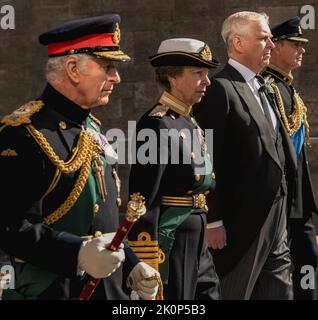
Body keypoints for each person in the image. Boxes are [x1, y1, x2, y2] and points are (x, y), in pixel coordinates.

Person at [0, 14, 160, 300]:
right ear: (73, 69)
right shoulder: (24, 135)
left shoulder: (89, 127)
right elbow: (10, 227)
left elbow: (101, 221)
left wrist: (132, 264)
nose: (117, 77)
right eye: (107, 66)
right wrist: (76, 252)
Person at [194, 11, 297, 299]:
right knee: (235, 291)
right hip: (241, 222)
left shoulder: (266, 87)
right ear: (238, 43)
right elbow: (205, 156)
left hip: (276, 214)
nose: (271, 46)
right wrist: (213, 219)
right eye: (263, 39)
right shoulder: (220, 89)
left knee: (278, 290)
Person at [128, 38, 221, 300]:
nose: (207, 81)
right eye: (198, 74)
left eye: (207, 74)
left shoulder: (189, 120)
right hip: (173, 240)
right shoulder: (156, 125)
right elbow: (143, 199)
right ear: (172, 77)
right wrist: (146, 259)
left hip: (198, 235)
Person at [262, 17, 318, 300]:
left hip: (298, 201)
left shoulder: (284, 87)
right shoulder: (268, 88)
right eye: (295, 44)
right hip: (283, 202)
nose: (302, 50)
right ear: (276, 46)